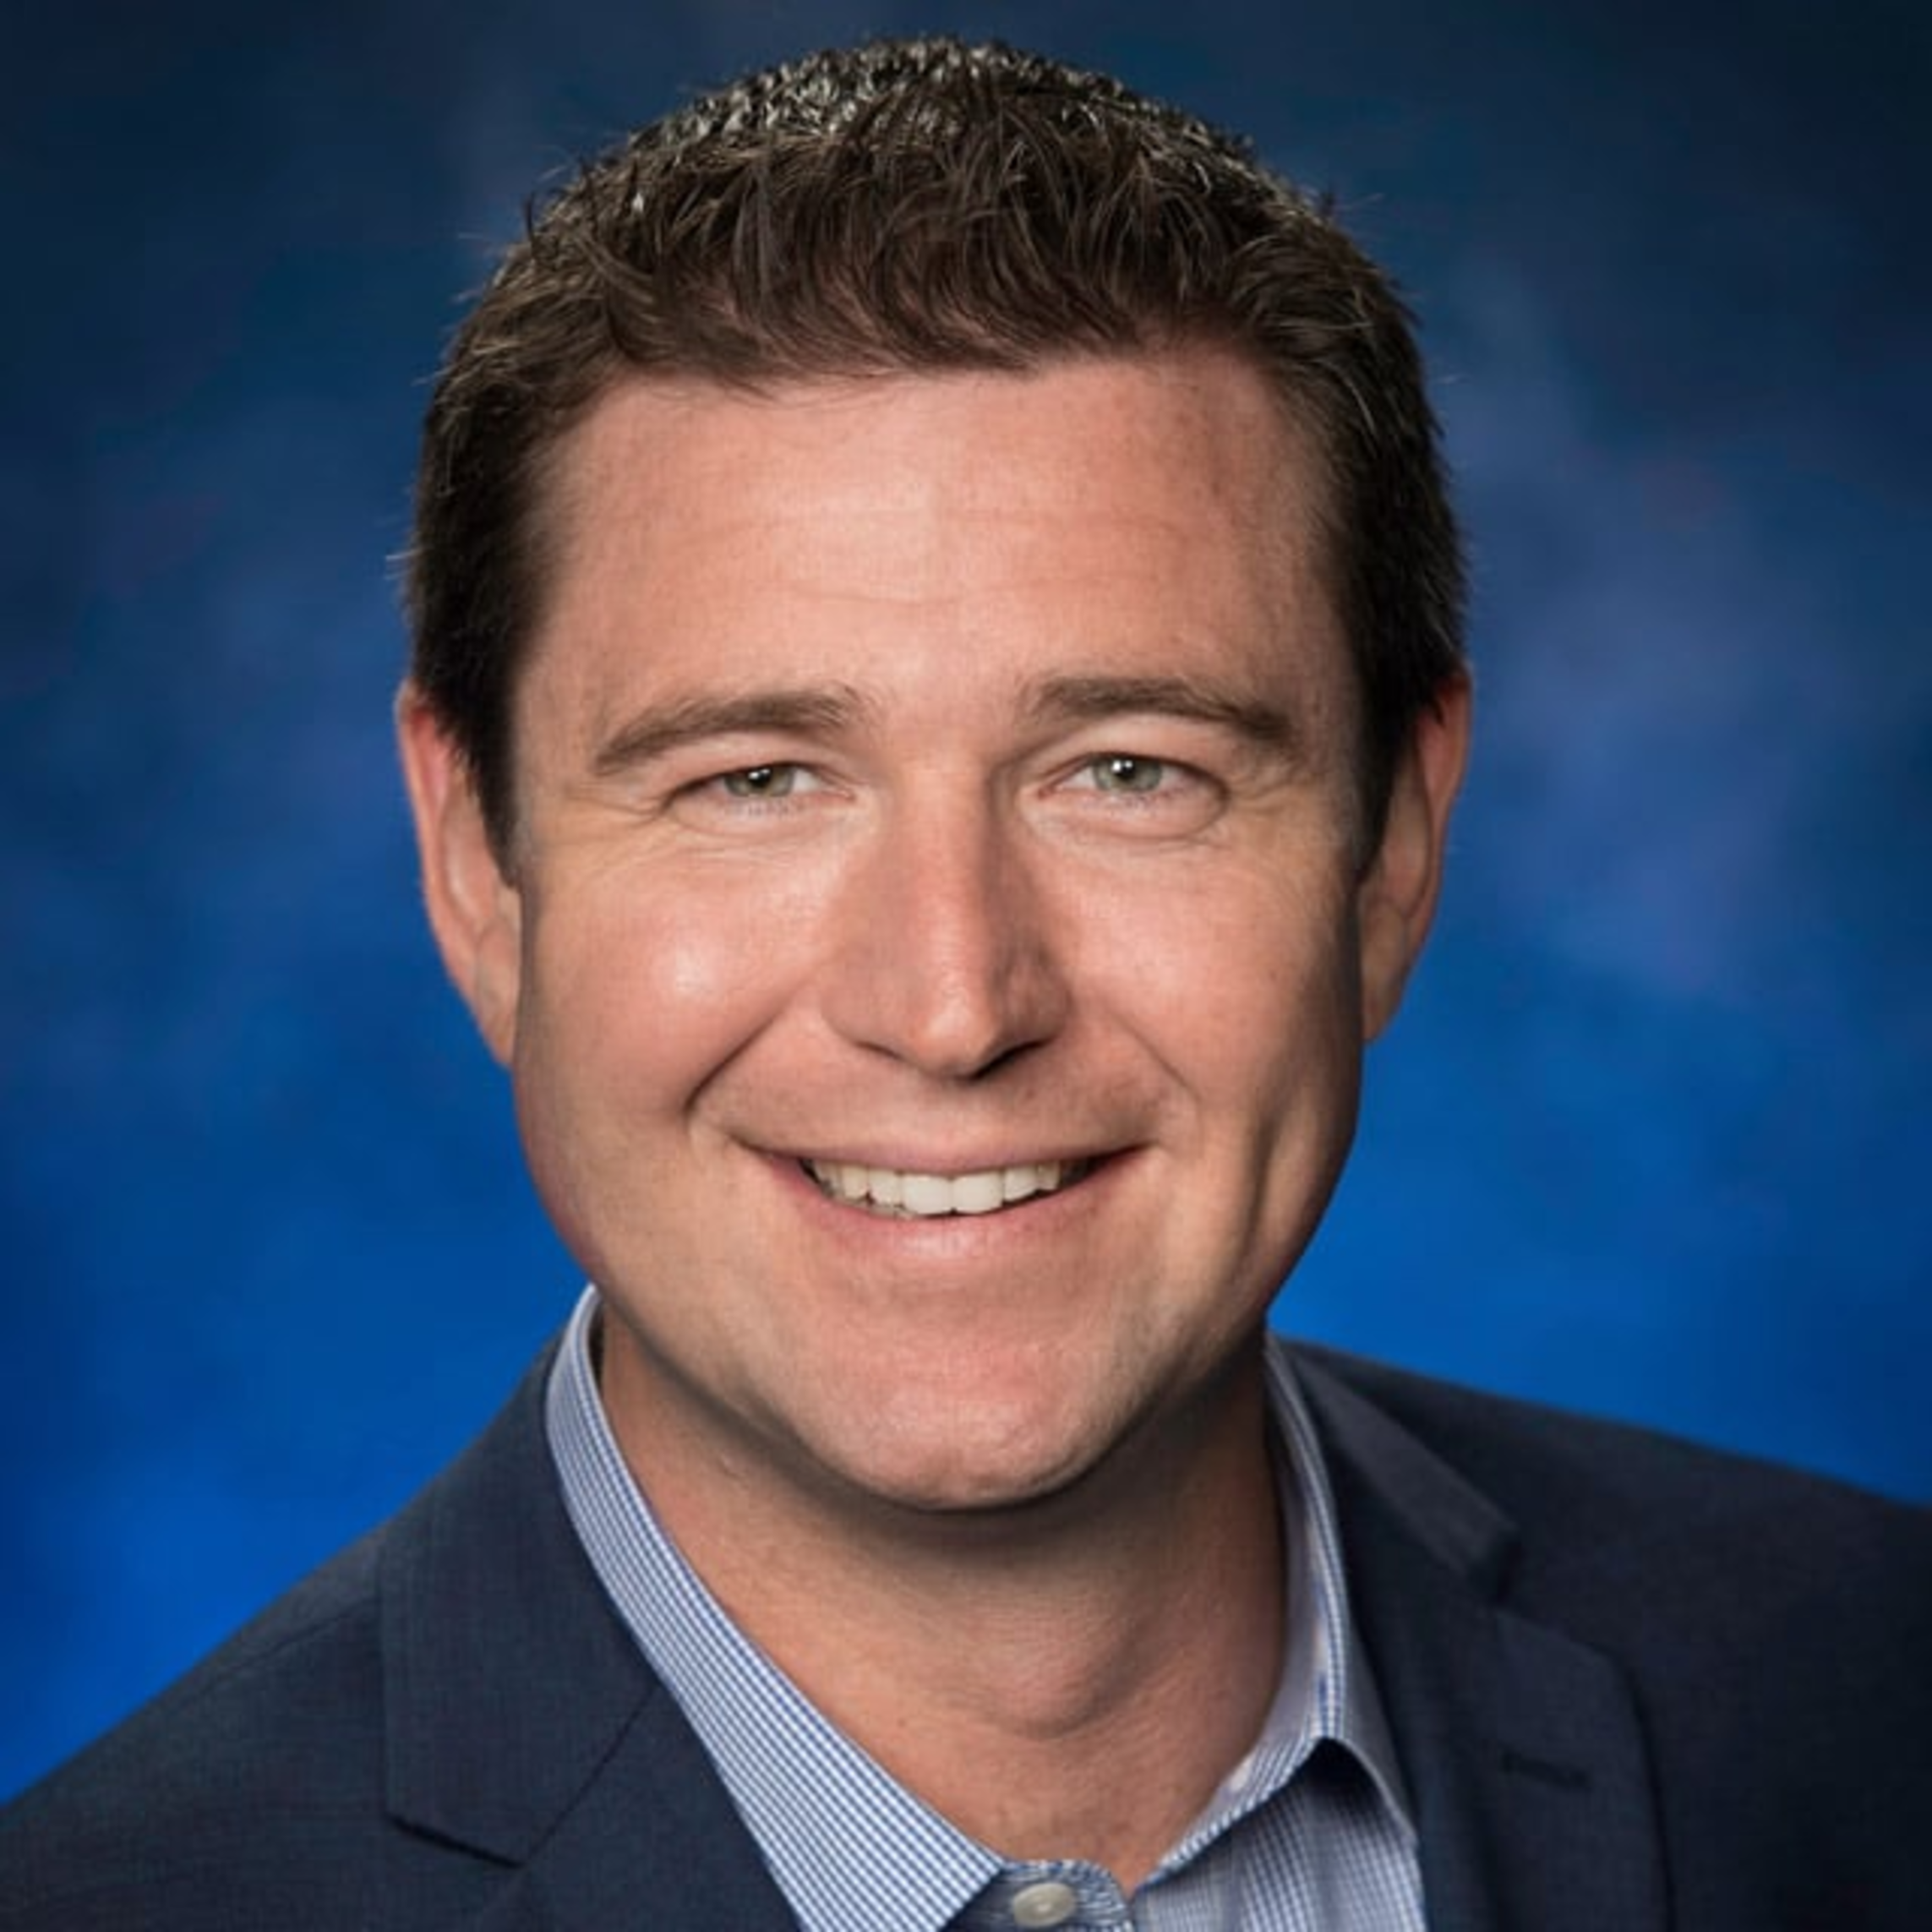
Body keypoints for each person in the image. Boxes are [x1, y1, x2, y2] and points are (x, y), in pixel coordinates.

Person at [2, 35, 1925, 1932]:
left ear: (1396, 850)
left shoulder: (1868, 1695)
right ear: (475, 866)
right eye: (755, 780)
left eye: (1130, 770)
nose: (951, 1004)